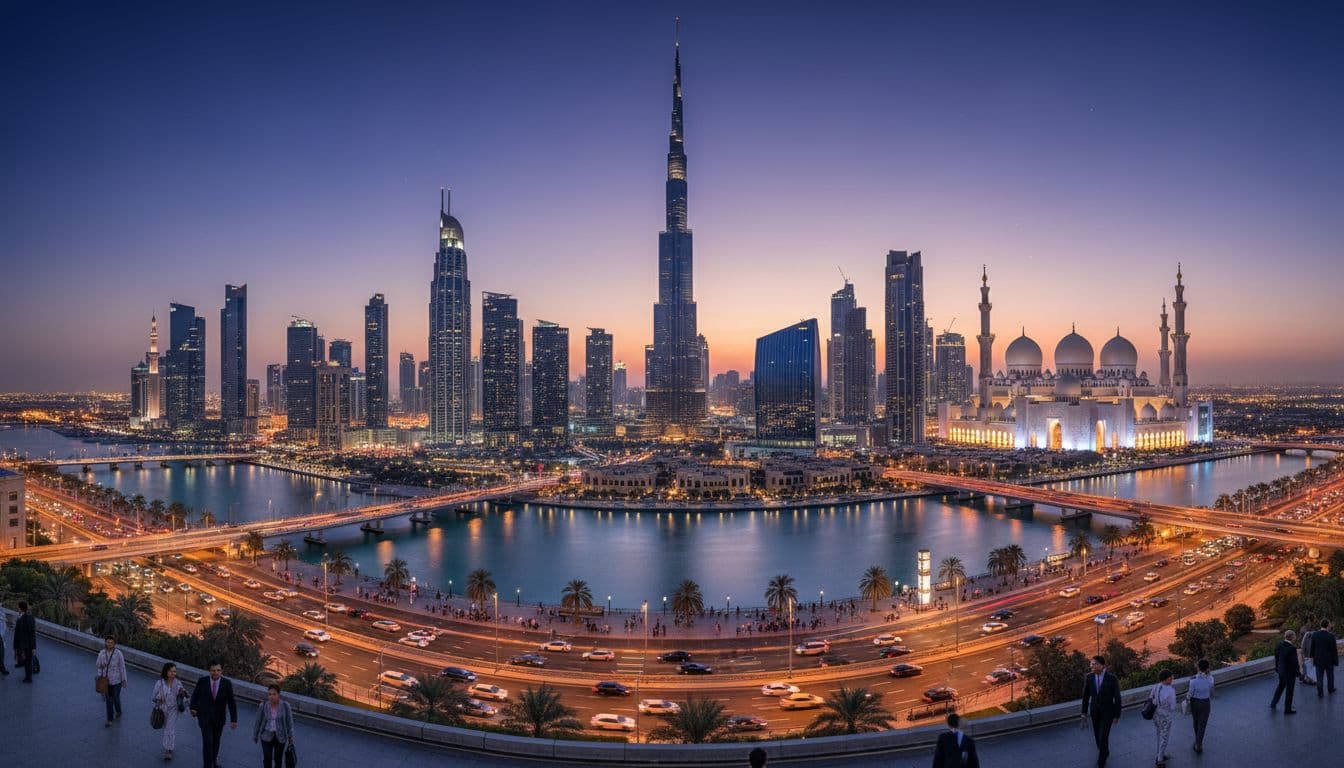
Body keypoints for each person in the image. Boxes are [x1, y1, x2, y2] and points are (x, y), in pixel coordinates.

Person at [189, 661, 238, 768]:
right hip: (204, 718)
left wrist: (234, 719)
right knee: (208, 742)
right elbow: (195, 696)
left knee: (216, 742)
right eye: (213, 670)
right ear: (209, 671)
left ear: (221, 671)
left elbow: (231, 702)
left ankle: (213, 761)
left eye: (218, 670)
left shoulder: (227, 683)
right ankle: (207, 765)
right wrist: (193, 708)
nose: (215, 672)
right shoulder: (202, 681)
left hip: (219, 719)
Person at [1081, 655, 1122, 767]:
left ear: (1102, 665)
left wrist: (1117, 715)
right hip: (1094, 712)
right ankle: (1105, 751)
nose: (1091, 666)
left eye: (1094, 664)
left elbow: (1117, 698)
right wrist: (1083, 713)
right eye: (1091, 664)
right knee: (1097, 738)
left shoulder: (1112, 678)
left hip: (1108, 712)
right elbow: (1085, 696)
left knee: (1103, 737)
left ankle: (1101, 762)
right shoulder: (1089, 677)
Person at [252, 685, 296, 768]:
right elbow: (258, 721)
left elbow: (289, 722)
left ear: (279, 694)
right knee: (267, 758)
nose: (271, 696)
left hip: (281, 737)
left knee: (278, 760)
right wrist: (255, 735)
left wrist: (291, 736)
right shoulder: (263, 705)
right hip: (266, 736)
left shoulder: (285, 706)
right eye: (269, 694)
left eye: (274, 694)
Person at [152, 661, 187, 761]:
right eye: (171, 671)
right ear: (166, 672)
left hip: (174, 709)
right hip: (163, 709)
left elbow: (183, 694)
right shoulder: (159, 683)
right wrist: (158, 699)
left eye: (175, 672)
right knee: (166, 728)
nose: (173, 673)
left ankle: (168, 750)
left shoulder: (178, 683)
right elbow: (153, 697)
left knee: (169, 729)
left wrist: (182, 692)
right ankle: (169, 746)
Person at [96, 635, 129, 726]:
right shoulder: (102, 653)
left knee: (116, 698)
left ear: (114, 644)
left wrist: (124, 680)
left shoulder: (118, 653)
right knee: (109, 701)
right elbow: (98, 665)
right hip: (106, 681)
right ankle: (109, 720)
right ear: (105, 642)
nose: (109, 644)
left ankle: (118, 710)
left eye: (111, 642)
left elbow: (122, 667)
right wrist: (100, 673)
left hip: (117, 680)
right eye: (108, 642)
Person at [1149, 669, 1177, 767]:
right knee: (1164, 737)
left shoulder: (1155, 687)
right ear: (1166, 679)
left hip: (1156, 714)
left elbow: (1151, 698)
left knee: (1159, 734)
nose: (1172, 679)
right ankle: (1160, 758)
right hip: (1165, 715)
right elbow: (1173, 706)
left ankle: (1159, 753)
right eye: (1171, 678)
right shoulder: (1171, 690)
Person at [1186, 658, 1214, 754]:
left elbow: (1190, 693)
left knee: (1196, 722)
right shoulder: (1210, 679)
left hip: (1195, 703)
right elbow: (1210, 689)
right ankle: (1198, 743)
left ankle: (1197, 741)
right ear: (1207, 668)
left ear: (1198, 667)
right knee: (1202, 724)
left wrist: (1187, 700)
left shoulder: (1193, 681)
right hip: (1206, 703)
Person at [1270, 629, 1299, 713]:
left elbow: (1277, 658)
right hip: (1289, 673)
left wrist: (1277, 668)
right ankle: (1288, 709)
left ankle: (1273, 703)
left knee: (1280, 686)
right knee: (1289, 691)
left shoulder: (1279, 645)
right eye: (1294, 636)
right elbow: (1294, 662)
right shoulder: (1292, 648)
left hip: (1281, 671)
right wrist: (1298, 673)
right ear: (1292, 637)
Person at [1308, 618, 1338, 697]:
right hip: (1329, 660)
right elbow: (1334, 650)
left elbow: (1312, 647)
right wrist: (1335, 661)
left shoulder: (1315, 635)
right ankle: (1330, 689)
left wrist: (1311, 657)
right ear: (1328, 625)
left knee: (1319, 677)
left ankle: (1320, 692)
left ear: (1321, 625)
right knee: (1330, 675)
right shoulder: (1331, 636)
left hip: (1318, 659)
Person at [14, 600, 37, 683]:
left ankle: (28, 678)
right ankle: (27, 675)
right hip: (22, 644)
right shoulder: (21, 617)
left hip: (27, 645)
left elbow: (32, 634)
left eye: (18, 607)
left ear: (21, 608)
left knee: (28, 661)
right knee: (26, 660)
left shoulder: (28, 618)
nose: (17, 609)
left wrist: (34, 647)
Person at [0, 606, 10, 675]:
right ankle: (2, 668)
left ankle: (2, 668)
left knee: (1, 652)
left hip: (1, 637)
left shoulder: (1, 610)